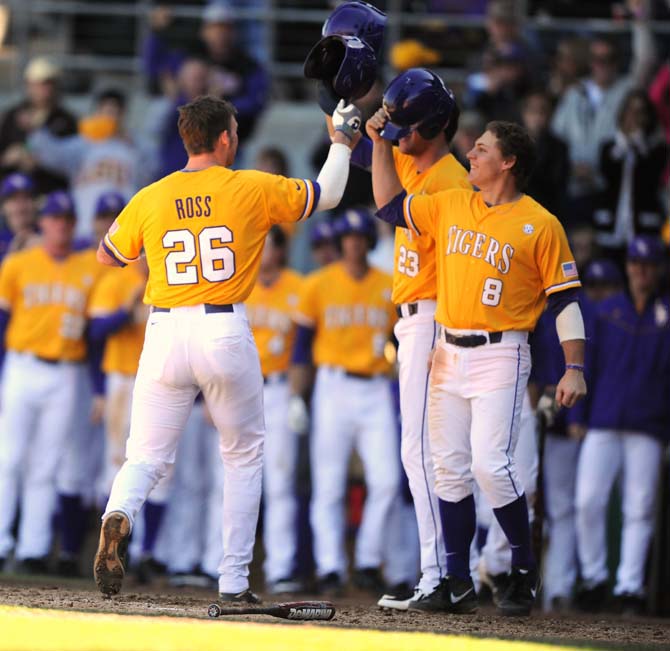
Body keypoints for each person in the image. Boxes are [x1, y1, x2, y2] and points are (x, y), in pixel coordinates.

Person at [92, 94, 361, 600]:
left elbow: (108, 255)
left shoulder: (152, 194)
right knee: (242, 455)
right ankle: (234, 583)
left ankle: (120, 513)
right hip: (223, 327)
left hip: (165, 328)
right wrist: (342, 141)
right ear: (222, 139)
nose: (236, 138)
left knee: (145, 456)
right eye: (234, 131)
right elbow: (325, 195)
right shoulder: (248, 186)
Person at [368, 117, 587, 616]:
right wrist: (380, 142)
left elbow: (567, 302)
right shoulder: (451, 203)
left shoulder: (540, 223)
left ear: (507, 162)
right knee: (448, 469)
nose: (472, 153)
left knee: (492, 465)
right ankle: (458, 579)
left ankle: (524, 568)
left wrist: (575, 366)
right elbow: (388, 205)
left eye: (483, 149)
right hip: (447, 348)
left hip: (502, 351)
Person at [332, 67, 475, 611]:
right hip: (420, 316)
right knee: (430, 453)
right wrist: (341, 99)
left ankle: (441, 576)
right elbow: (367, 154)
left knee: (425, 452)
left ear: (434, 127)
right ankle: (444, 574)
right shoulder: (422, 165)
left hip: (435, 315)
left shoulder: (450, 181)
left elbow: (387, 205)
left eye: (405, 127)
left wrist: (376, 137)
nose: (397, 135)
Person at [289, 208, 398, 597]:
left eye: (360, 237)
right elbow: (301, 349)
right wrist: (297, 397)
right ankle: (330, 566)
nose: (353, 244)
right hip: (332, 387)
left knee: (386, 480)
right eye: (346, 238)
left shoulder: (390, 285)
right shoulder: (317, 284)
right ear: (338, 243)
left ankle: (368, 561)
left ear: (369, 240)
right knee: (329, 485)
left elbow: (401, 341)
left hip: (374, 386)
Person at [0, 191, 104, 573]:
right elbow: (1, 322)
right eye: (54, 218)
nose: (60, 224)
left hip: (66, 372)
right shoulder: (18, 264)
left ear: (74, 225)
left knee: (47, 463)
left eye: (67, 219)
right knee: (8, 458)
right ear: (41, 222)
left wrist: (98, 388)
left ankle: (33, 548)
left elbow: (95, 334)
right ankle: (1, 541)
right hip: (21, 366)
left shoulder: (88, 268)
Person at [573, 235, 670, 616]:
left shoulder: (666, 312)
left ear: (658, 268)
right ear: (628, 266)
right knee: (587, 502)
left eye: (647, 264)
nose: (641, 271)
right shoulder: (607, 310)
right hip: (604, 418)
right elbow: (587, 365)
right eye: (635, 263)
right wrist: (579, 416)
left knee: (639, 507)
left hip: (648, 424)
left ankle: (629, 586)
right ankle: (594, 579)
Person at [246, 226, 303, 594]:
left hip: (280, 388)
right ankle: (216, 562)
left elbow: (304, 349)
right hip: (243, 391)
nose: (265, 251)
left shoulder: (298, 286)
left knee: (280, 484)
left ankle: (281, 568)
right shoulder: (238, 283)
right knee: (228, 481)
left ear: (282, 251)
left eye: (271, 245)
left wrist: (299, 396)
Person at [28, 89, 152, 239]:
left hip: (124, 232)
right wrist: (36, 130)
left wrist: (131, 142)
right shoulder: (83, 144)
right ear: (96, 114)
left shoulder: (135, 146)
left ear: (123, 115)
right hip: (84, 229)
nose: (110, 118)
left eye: (115, 113)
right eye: (106, 112)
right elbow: (49, 153)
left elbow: (154, 171)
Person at [143, 1, 269, 142]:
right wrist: (156, 33)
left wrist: (220, 106)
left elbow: (257, 101)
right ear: (203, 31)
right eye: (214, 28)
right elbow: (154, 67)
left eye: (225, 28)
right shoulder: (189, 57)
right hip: (186, 138)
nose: (220, 34)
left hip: (229, 142)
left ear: (234, 32)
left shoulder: (246, 65)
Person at [592, 89, 668, 264]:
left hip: (643, 224)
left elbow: (650, 180)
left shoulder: (657, 150)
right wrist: (625, 143)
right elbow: (607, 175)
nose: (634, 117)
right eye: (630, 111)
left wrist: (638, 143)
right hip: (612, 224)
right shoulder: (608, 147)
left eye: (640, 112)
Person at [0, 57, 77, 195]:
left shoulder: (67, 120)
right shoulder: (12, 115)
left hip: (50, 195)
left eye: (49, 82)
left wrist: (39, 160)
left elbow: (73, 161)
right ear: (28, 85)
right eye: (40, 83)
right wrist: (8, 158)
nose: (45, 88)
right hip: (13, 195)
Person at [520, 90, 569, 221]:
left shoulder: (560, 147)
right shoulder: (509, 144)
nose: (537, 115)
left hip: (546, 214)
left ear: (550, 114)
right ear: (524, 113)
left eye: (543, 110)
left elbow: (556, 186)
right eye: (532, 110)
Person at [0, 173, 39, 261]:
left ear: (35, 203)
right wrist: (12, 257)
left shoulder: (49, 233)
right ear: (3, 207)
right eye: (13, 199)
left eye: (26, 198)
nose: (21, 205)